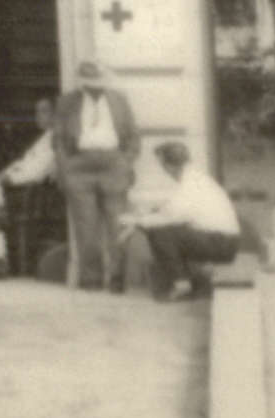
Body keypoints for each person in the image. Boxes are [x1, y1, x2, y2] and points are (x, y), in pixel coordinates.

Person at [47, 72, 140, 292]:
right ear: (83, 85)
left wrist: (125, 162)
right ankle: (91, 280)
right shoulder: (67, 102)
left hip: (113, 164)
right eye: (90, 86)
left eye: (99, 85)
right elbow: (58, 138)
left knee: (118, 225)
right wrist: (66, 167)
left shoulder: (119, 99)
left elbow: (133, 136)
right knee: (85, 227)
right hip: (79, 166)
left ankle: (117, 279)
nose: (95, 90)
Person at [122, 134, 245, 299]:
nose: (163, 169)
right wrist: (144, 218)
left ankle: (181, 283)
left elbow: (171, 217)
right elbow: (171, 210)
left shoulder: (190, 183)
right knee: (160, 227)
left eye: (162, 164)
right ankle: (190, 282)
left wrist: (136, 221)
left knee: (160, 232)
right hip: (222, 240)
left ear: (169, 165)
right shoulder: (195, 178)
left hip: (222, 242)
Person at [0, 124, 63, 282]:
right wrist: (10, 172)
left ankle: (21, 266)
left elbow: (38, 172)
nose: (38, 116)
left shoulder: (57, 136)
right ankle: (14, 261)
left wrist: (12, 177)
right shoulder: (47, 136)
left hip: (36, 193)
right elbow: (27, 161)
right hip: (23, 183)